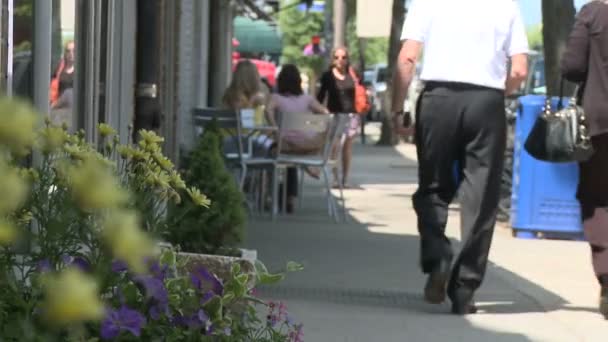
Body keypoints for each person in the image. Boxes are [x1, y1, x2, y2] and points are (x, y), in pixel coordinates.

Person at [391, 0, 528, 314]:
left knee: (433, 188)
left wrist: (399, 108)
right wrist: (494, 95)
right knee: (480, 199)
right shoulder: (506, 6)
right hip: (486, 101)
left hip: (439, 100)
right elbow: (519, 70)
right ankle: (464, 289)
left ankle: (438, 255)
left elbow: (407, 58)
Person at [561, 0, 608, 319]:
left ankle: (607, 276)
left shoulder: (593, 13)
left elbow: (572, 67)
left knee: (597, 198)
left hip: (600, 123)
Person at [266, 64, 330, 213]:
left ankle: (269, 196)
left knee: (270, 153)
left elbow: (268, 111)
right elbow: (326, 113)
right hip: (307, 146)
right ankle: (291, 198)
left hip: (286, 146)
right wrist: (313, 124)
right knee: (291, 162)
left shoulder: (276, 98)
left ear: (280, 81)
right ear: (298, 82)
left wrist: (275, 128)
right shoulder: (307, 99)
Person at [317, 47, 360, 189]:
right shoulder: (328, 76)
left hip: (351, 115)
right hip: (334, 115)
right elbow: (320, 96)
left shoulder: (352, 74)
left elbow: (360, 91)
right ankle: (335, 179)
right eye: (337, 57)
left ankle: (345, 179)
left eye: (343, 57)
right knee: (335, 147)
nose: (340, 60)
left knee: (347, 148)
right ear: (333, 59)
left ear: (348, 59)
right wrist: (321, 112)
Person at [51, 41, 75, 109]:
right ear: (65, 53)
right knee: (68, 93)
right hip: (59, 103)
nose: (71, 53)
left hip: (75, 105)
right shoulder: (59, 68)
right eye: (68, 51)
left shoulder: (81, 70)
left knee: (70, 93)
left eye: (74, 51)